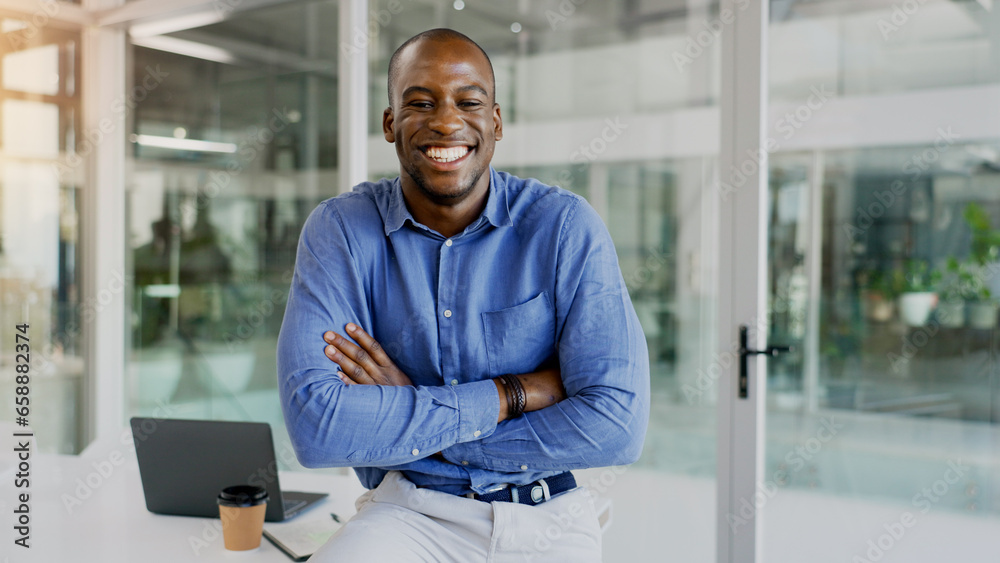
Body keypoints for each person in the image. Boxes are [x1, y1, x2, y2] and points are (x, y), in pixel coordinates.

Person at [277, 28, 650, 562]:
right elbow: (319, 428)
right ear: (390, 123)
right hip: (408, 514)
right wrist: (509, 394)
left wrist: (414, 423)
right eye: (420, 103)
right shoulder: (340, 230)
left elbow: (616, 426)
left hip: (545, 516)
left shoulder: (565, 227)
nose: (446, 121)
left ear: (495, 121)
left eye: (468, 102)